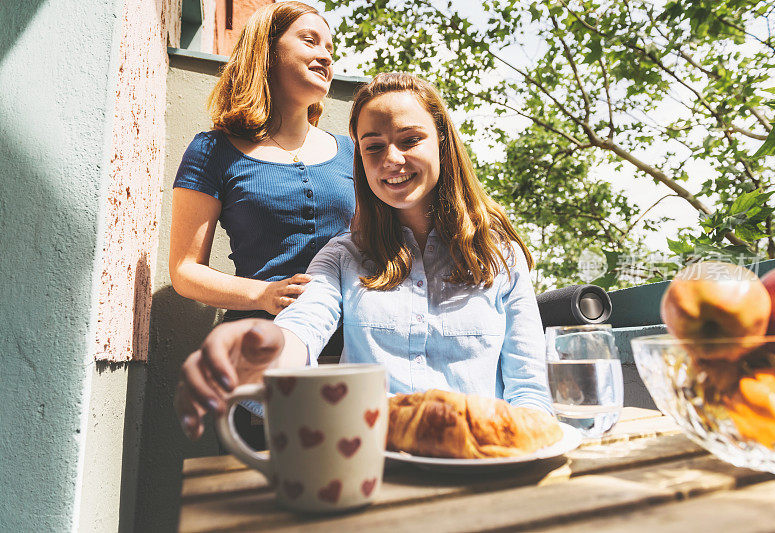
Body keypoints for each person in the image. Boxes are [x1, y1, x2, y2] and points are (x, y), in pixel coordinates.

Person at [175, 73, 553, 441]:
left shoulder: (502, 256)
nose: (391, 159)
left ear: (442, 140)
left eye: (410, 140)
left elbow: (530, 391)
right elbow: (301, 328)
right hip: (377, 467)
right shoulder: (343, 256)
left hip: (485, 463)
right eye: (373, 146)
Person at [169, 2, 355, 446]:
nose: (326, 55)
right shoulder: (212, 150)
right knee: (263, 502)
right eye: (310, 41)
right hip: (259, 361)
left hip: (354, 354)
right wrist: (263, 292)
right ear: (266, 51)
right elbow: (183, 270)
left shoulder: (352, 151)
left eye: (331, 47)